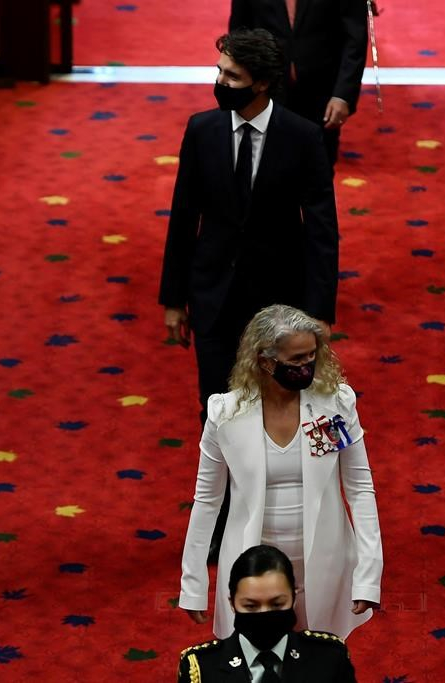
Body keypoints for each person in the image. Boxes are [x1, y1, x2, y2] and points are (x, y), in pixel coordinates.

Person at [160, 29, 339, 564]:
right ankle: (221, 524)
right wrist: (174, 299)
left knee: (279, 408)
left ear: (262, 83)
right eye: (219, 72)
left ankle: (279, 516)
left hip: (278, 306)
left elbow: (321, 229)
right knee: (216, 410)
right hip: (213, 294)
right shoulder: (202, 131)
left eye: (232, 77)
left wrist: (316, 316)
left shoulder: (303, 138)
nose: (220, 83)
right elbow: (183, 216)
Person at [179, 304, 382, 641]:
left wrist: (369, 574)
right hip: (253, 569)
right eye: (296, 360)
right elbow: (206, 501)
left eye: (311, 357)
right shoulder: (225, 414)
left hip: (325, 561)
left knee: (318, 664)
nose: (307, 367)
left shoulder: (337, 404)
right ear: (265, 361)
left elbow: (360, 489)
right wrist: (193, 582)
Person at [178, 544, 358, 682]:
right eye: (251, 606)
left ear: (294, 599)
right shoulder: (202, 670)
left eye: (277, 604)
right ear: (232, 603)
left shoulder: (328, 658)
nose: (264, 614)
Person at [228, 0, 368, 165]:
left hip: (321, 96)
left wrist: (343, 95)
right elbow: (239, 33)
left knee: (317, 173)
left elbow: (355, 39)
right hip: (265, 92)